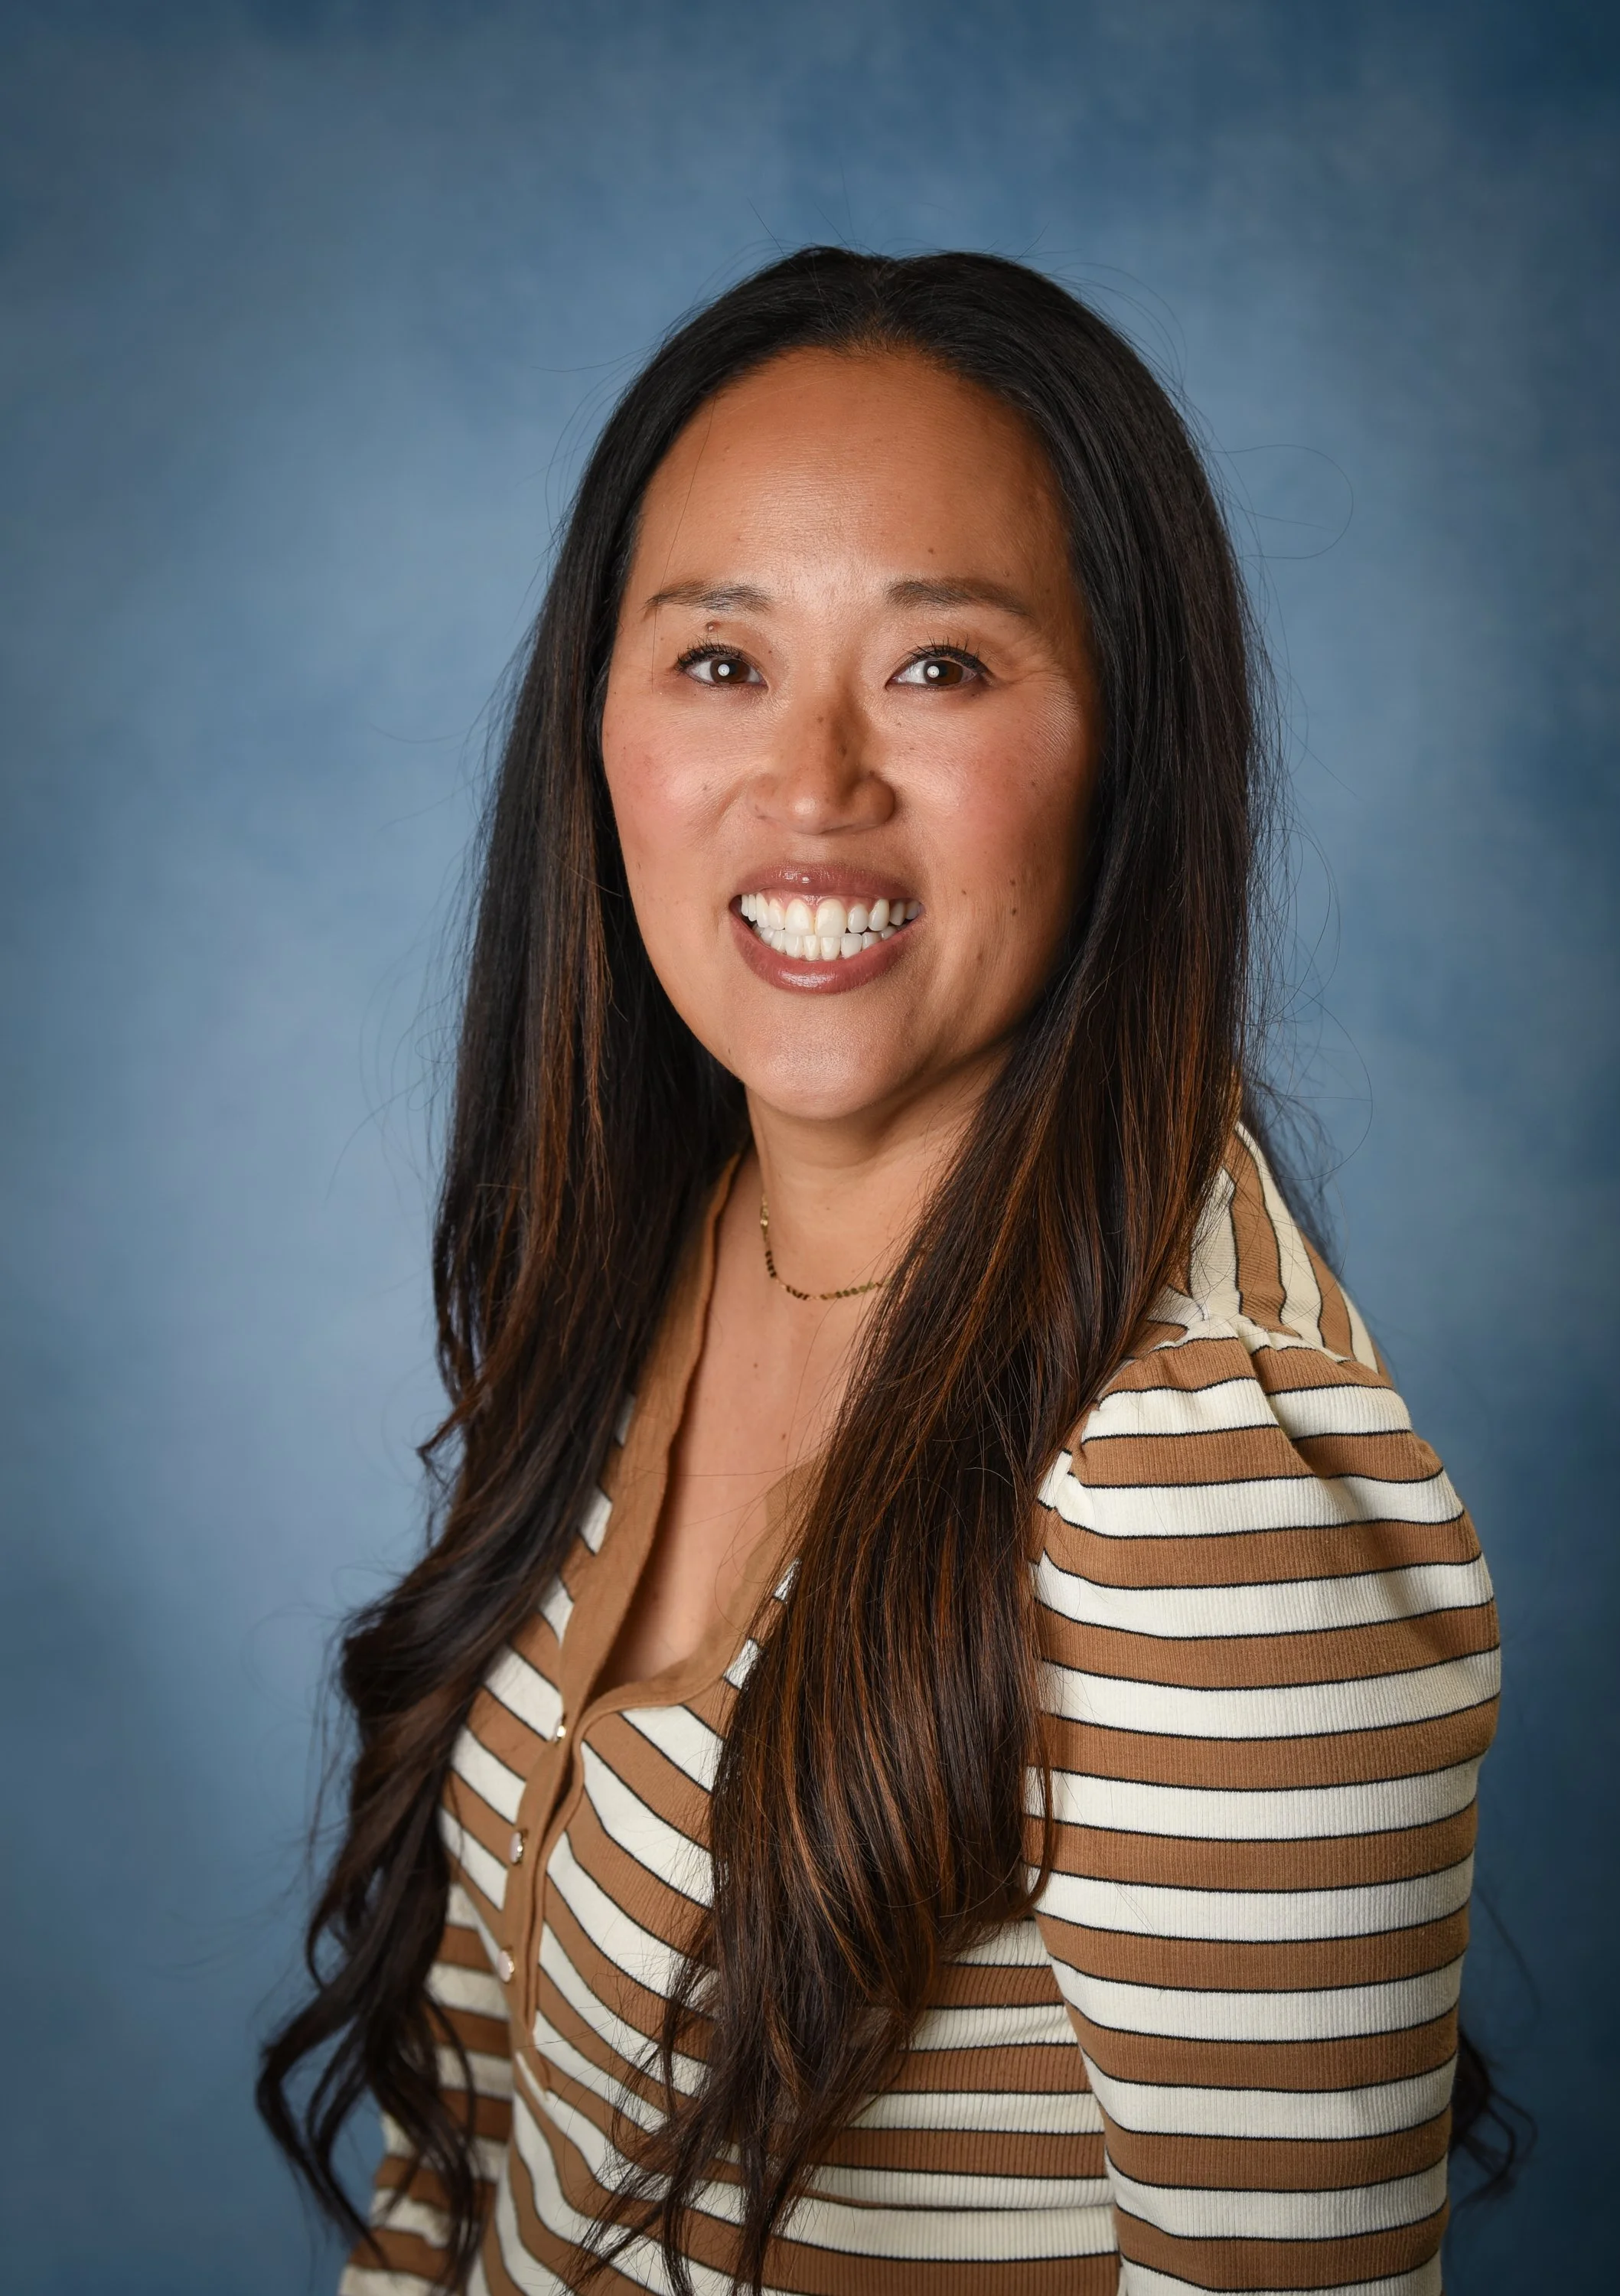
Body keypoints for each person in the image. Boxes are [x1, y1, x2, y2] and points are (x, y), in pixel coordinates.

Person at [259, 248, 1501, 2296]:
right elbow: (473, 2160)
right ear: (600, 726)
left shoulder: (1198, 1485)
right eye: (721, 660)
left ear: (1127, 744)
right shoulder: (647, 1242)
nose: (816, 786)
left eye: (944, 666)